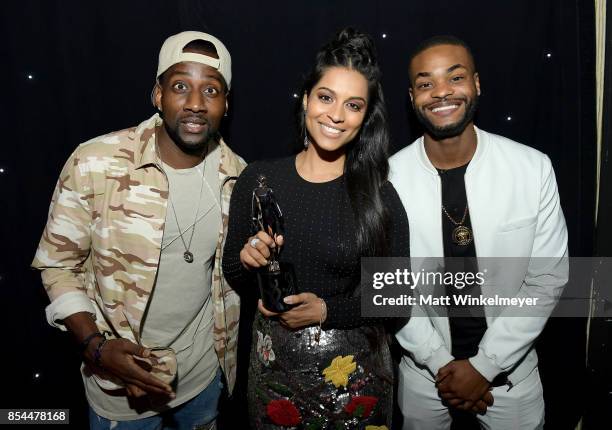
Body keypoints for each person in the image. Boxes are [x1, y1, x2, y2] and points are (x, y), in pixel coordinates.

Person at [32, 31, 246, 429]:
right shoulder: (96, 162)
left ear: (226, 104)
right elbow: (58, 265)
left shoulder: (239, 178)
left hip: (204, 383)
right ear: (158, 94)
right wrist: (95, 347)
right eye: (181, 86)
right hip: (120, 392)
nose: (196, 104)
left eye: (211, 90)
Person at [222, 28, 410, 429]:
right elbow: (234, 275)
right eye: (326, 97)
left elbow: (397, 300)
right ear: (306, 99)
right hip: (274, 379)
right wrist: (247, 258)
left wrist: (328, 310)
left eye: (353, 105)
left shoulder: (380, 196)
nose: (336, 115)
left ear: (365, 118)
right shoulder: (258, 180)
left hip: (356, 382)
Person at [389, 35, 569, 429]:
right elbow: (389, 286)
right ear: (411, 96)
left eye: (455, 77)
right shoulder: (387, 179)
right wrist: (441, 363)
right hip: (424, 377)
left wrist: (484, 366)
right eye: (425, 83)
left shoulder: (532, 168)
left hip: (512, 379)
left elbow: (547, 279)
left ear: (477, 83)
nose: (441, 92)